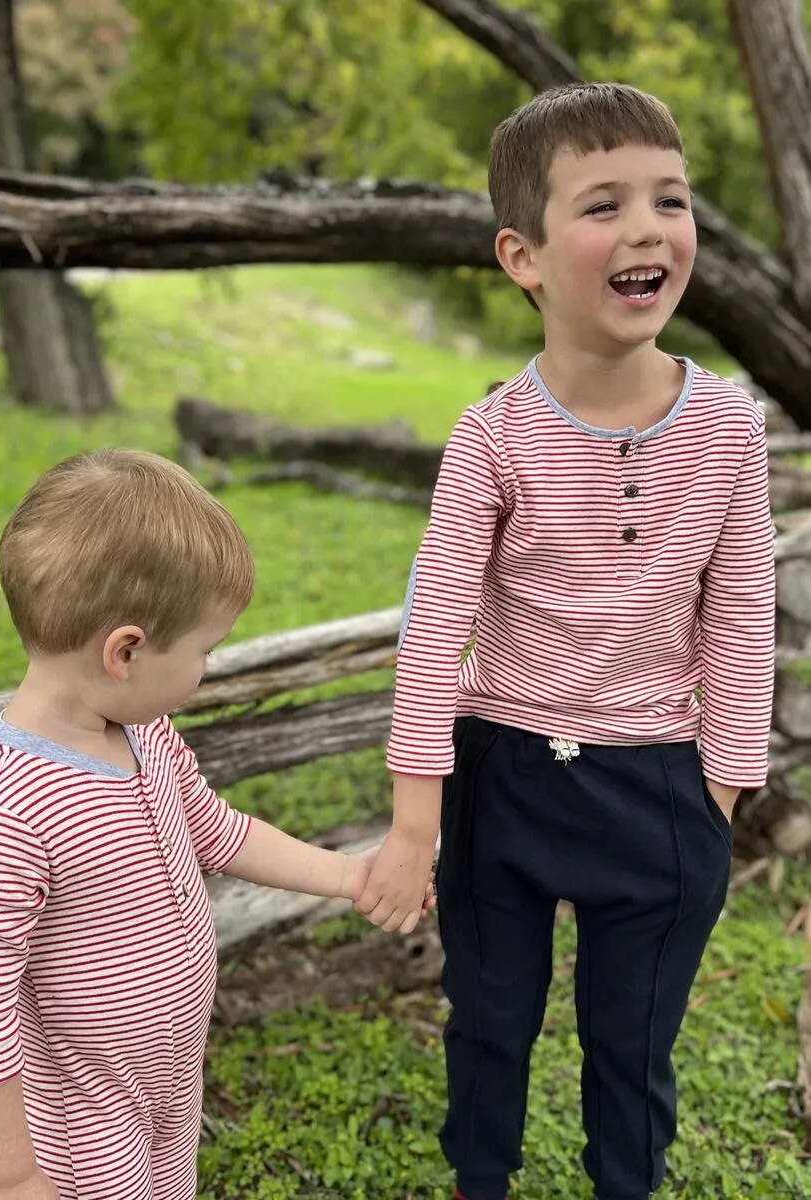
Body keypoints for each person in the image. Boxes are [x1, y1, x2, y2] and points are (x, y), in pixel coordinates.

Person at [355, 82, 776, 1200]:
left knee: (631, 1048)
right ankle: (477, 1181)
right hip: (506, 777)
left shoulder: (729, 424)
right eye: (604, 206)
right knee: (491, 1026)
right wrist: (413, 826)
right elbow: (435, 628)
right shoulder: (492, 437)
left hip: (662, 792)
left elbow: (737, 613)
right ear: (524, 256)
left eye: (669, 200)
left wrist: (721, 794)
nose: (647, 228)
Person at [0, 448, 431, 1200]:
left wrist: (348, 874)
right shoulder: (11, 808)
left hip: (169, 1066)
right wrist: (12, 1176)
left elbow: (217, 831)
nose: (206, 670)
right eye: (205, 650)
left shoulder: (142, 730)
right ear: (125, 651)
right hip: (83, 1107)